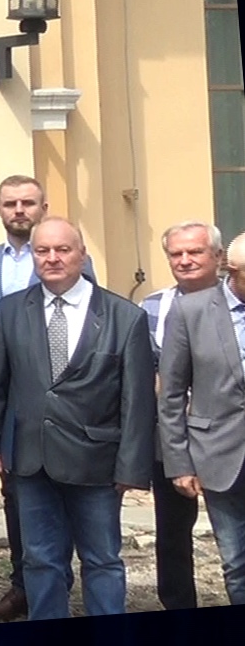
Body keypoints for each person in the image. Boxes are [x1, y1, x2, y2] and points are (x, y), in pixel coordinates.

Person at [0, 217, 153, 621]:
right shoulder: (11, 310)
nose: (52, 258)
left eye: (62, 249)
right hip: (31, 460)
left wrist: (131, 467)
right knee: (40, 560)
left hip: (97, 464)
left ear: (82, 255)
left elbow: (138, 402)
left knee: (102, 560)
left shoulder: (124, 317)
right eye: (42, 251)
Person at [158, 232, 245, 605]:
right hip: (220, 455)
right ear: (233, 270)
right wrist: (179, 463)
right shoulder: (190, 311)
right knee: (237, 563)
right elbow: (171, 393)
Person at [142, 221, 225, 610]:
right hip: (171, 436)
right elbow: (146, 372)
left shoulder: (236, 303)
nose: (185, 260)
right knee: (172, 533)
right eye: (176, 254)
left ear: (218, 257)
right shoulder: (153, 307)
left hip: (228, 435)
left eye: (195, 252)